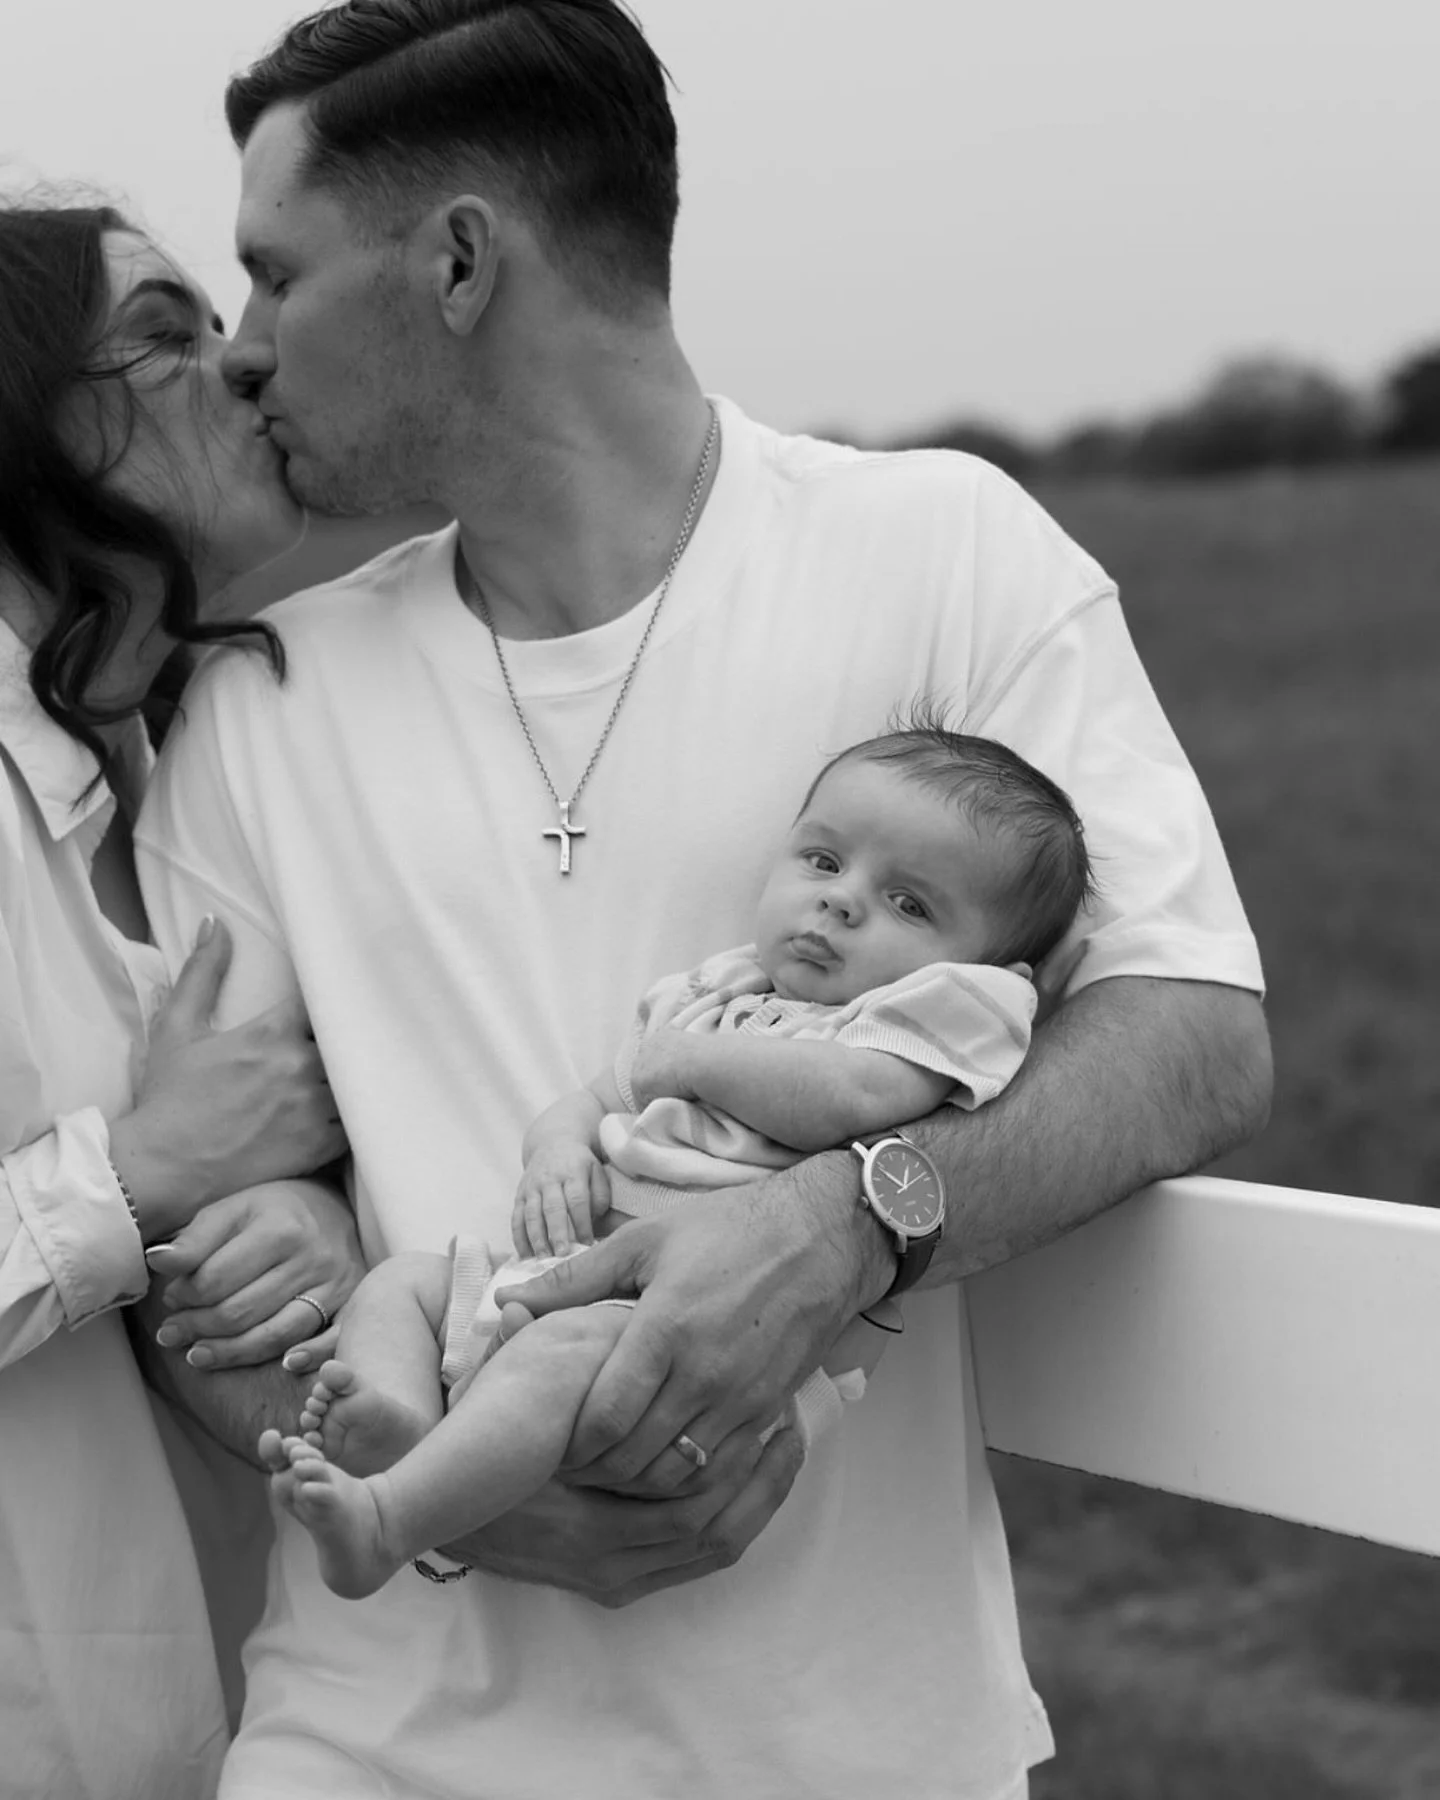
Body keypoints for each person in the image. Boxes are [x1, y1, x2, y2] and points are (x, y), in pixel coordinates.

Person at [134, 3, 1272, 1796]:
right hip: (365, 1751)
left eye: (277, 277)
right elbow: (195, 1269)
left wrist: (849, 1225)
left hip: (860, 1750)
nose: (247, 349)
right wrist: (468, 1506)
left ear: (456, 261)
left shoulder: (945, 551)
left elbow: (1196, 1036)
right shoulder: (265, 689)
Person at [261, 718, 1094, 1602]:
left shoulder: (926, 1018)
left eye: (910, 904)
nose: (843, 901)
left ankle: (391, 1519)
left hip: (691, 1332)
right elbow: (594, 1096)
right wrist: (555, 1148)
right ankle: (395, 1418)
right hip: (562, 1276)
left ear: (992, 965)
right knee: (405, 1285)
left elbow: (852, 1100)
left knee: (557, 1360)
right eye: (823, 862)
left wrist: (686, 1062)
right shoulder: (722, 990)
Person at [0, 201, 366, 1800]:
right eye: (166, 332)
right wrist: (140, 1176)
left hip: (233, 1727)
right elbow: (175, 1157)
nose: (248, 363)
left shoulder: (192, 756)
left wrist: (319, 1214)